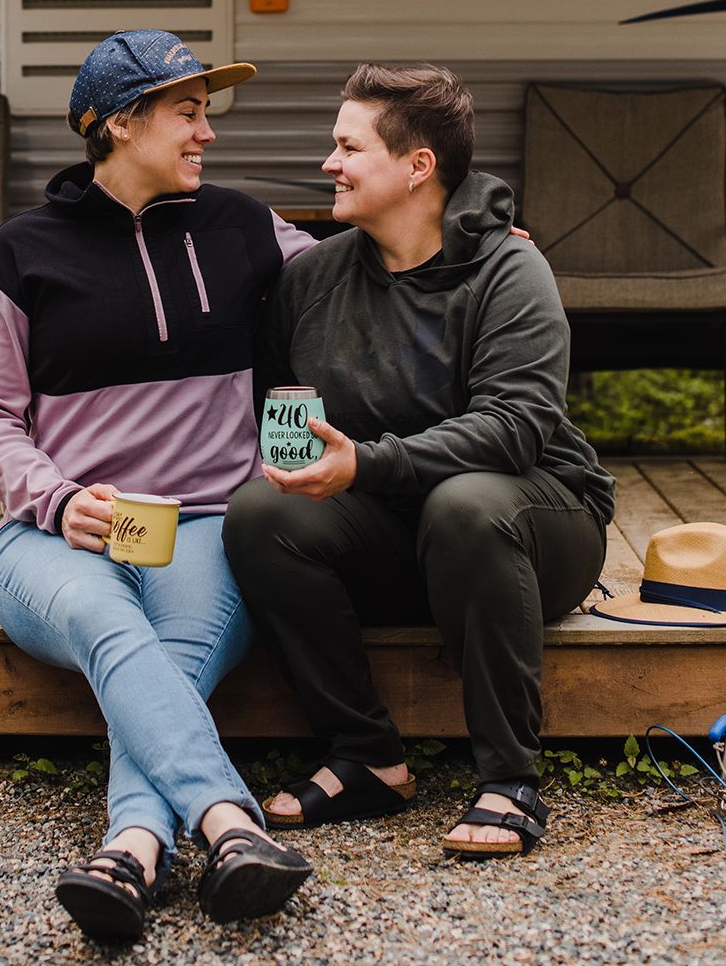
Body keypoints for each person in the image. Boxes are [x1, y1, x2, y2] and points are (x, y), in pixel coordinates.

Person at [0, 29, 314, 940]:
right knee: (107, 620)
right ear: (120, 123)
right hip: (58, 529)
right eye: (187, 114)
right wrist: (56, 500)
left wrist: (461, 240)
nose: (206, 135)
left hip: (201, 525)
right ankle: (229, 824)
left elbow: (360, 272)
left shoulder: (242, 225)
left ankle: (131, 852)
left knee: (179, 652)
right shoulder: (21, 251)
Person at [223, 63, 615, 861]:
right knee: (261, 514)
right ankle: (364, 755)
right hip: (396, 535)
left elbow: (514, 429)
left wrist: (364, 465)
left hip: (535, 529)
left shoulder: (509, 269)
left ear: (417, 166)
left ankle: (507, 778)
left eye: (347, 146)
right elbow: (281, 412)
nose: (327, 162)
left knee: (465, 502)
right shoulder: (310, 280)